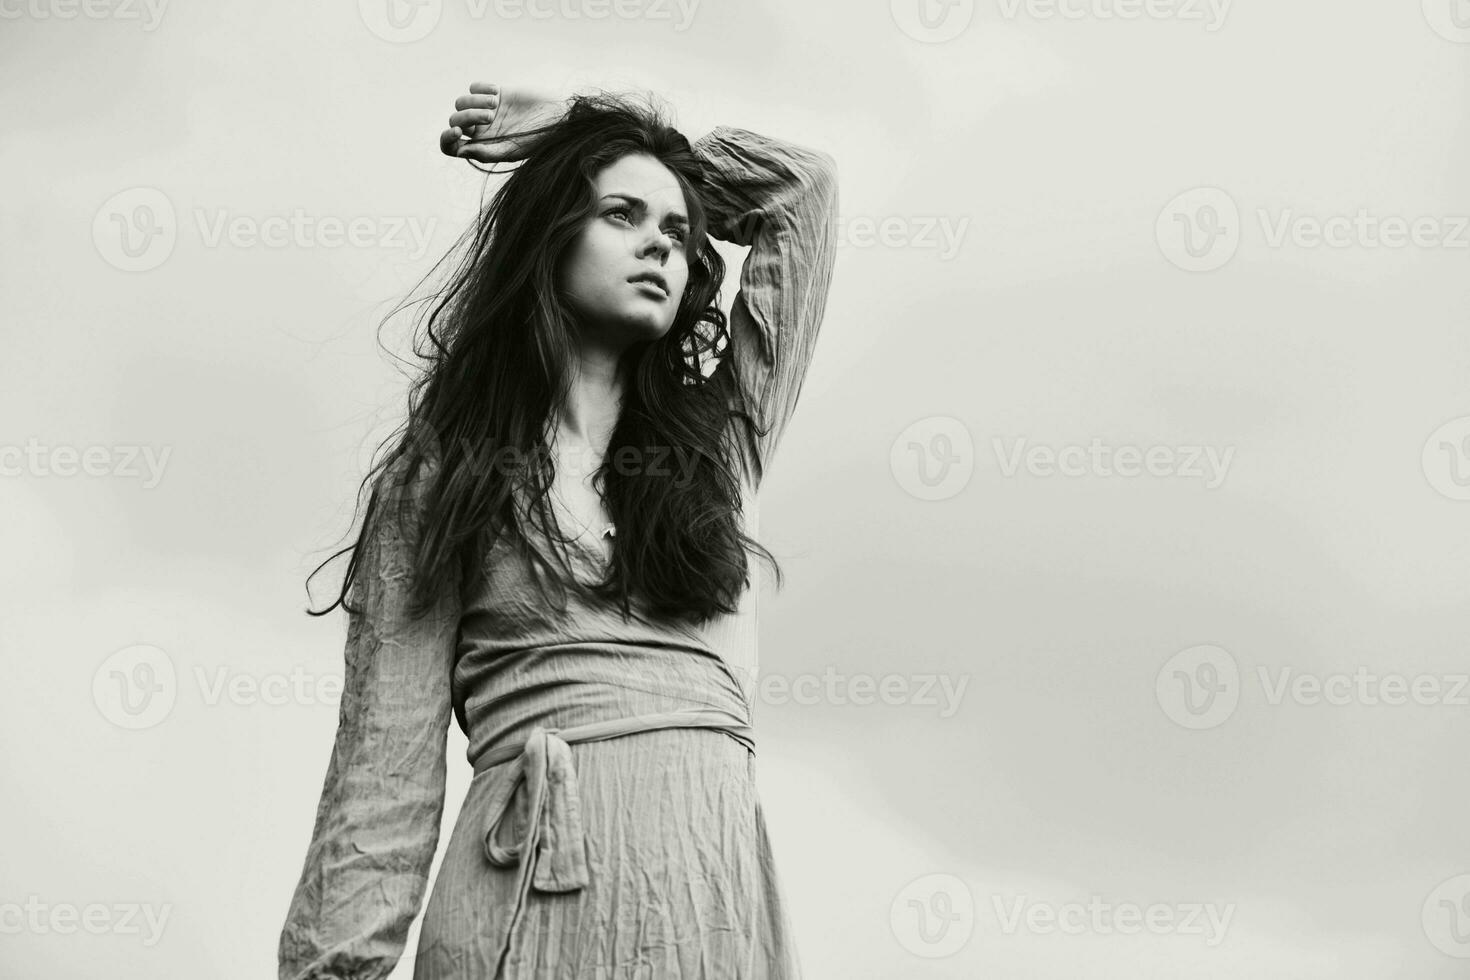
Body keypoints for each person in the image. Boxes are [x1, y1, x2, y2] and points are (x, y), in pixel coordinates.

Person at [276, 82, 839, 979]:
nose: (662, 240)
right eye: (622, 213)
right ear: (551, 237)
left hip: (712, 913)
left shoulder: (719, 449)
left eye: (681, 231)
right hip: (518, 915)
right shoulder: (440, 484)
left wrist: (582, 129)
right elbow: (381, 785)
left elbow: (799, 194)